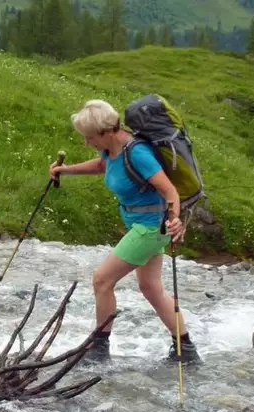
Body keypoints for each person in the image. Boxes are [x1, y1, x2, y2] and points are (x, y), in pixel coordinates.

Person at [49, 99, 201, 364]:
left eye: (89, 137)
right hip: (141, 224)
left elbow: (169, 191)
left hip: (151, 227)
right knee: (151, 287)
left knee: (102, 280)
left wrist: (174, 218)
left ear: (106, 132)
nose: (87, 142)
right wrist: (66, 170)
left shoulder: (138, 153)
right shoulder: (112, 150)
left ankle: (98, 348)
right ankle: (185, 348)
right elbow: (101, 166)